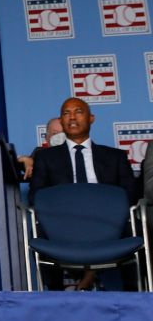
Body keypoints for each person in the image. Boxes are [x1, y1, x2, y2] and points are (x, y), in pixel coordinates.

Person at [29, 97, 138, 290]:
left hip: (109, 223)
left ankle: (135, 296)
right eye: (66, 113)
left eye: (78, 111)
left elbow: (130, 194)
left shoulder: (115, 156)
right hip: (62, 225)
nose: (71, 117)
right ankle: (55, 298)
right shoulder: (45, 158)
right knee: (40, 230)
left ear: (91, 118)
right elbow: (36, 196)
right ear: (61, 122)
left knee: (134, 226)